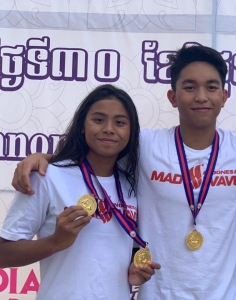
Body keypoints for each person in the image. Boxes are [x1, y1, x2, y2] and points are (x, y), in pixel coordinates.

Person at [10, 46, 236, 299]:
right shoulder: (145, 146)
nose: (200, 96)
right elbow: (100, 149)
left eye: (211, 87)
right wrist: (42, 157)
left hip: (225, 294)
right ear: (172, 96)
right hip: (159, 292)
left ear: (225, 95)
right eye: (189, 87)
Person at [0, 84, 161, 300]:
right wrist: (54, 242)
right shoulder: (47, 177)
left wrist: (134, 270)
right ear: (82, 126)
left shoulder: (133, 185)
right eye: (98, 119)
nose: (109, 129)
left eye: (120, 122)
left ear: (131, 132)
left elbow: (114, 252)